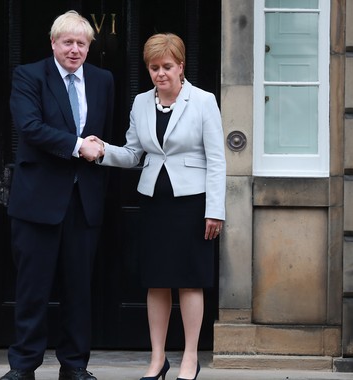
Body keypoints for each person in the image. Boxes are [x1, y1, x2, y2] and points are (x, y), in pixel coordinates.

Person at [90, 33, 225, 380]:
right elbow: (134, 153)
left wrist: (215, 210)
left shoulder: (203, 101)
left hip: (193, 205)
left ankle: (191, 358)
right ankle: (157, 359)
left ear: (181, 66)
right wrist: (103, 149)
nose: (160, 73)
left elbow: (217, 159)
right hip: (153, 203)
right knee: (157, 281)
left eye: (167, 66)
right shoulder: (140, 103)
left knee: (190, 281)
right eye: (154, 67)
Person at [1, 10, 113, 380]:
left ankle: (75, 365)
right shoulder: (29, 76)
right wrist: (78, 145)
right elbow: (30, 128)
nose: (75, 49)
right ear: (53, 43)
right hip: (37, 201)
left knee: (79, 291)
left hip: (84, 203)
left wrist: (94, 147)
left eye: (82, 43)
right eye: (68, 42)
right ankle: (23, 367)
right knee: (32, 290)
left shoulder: (103, 80)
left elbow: (105, 135)